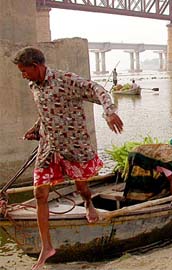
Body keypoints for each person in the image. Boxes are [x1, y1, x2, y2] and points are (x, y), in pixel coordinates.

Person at [12, 47, 123, 270]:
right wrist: (35, 129)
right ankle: (47, 247)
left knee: (82, 188)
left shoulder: (66, 80)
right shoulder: (33, 85)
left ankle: (89, 203)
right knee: (39, 193)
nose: (23, 75)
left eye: (25, 71)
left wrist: (109, 112)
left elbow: (97, 88)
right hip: (49, 147)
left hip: (73, 146)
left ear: (36, 66)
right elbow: (45, 111)